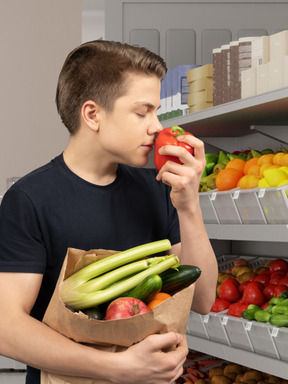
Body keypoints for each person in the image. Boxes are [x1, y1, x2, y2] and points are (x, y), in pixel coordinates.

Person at [0, 40, 218, 384]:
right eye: (142, 112)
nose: (157, 127)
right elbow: (6, 327)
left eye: (156, 111)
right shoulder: (29, 199)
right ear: (92, 114)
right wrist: (120, 369)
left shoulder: (158, 188)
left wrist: (189, 205)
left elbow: (203, 300)